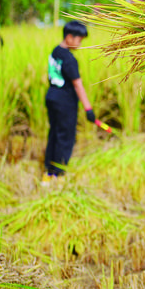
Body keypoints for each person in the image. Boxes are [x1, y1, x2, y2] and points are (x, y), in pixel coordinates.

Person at [43, 21, 97, 182]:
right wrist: (88, 109)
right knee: (65, 137)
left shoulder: (56, 51)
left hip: (51, 97)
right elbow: (77, 85)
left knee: (54, 133)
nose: (80, 44)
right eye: (79, 40)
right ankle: (59, 174)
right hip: (65, 102)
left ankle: (48, 172)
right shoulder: (69, 59)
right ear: (69, 37)